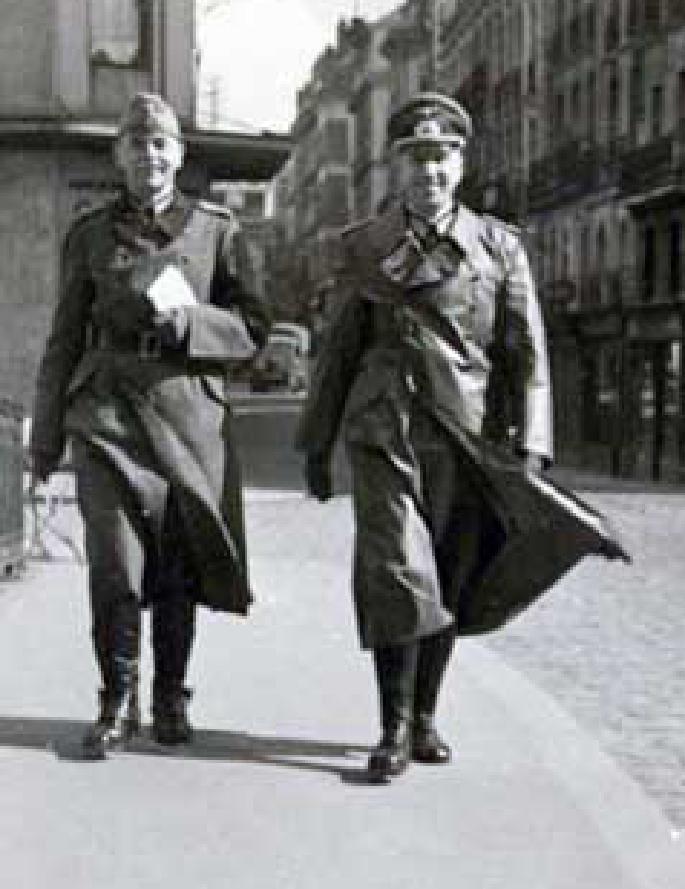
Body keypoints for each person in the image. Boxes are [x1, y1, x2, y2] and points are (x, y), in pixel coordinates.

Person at [297, 91, 627, 782]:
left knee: (446, 575)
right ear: (398, 167)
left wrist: (533, 446)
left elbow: (527, 352)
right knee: (396, 570)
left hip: (466, 434)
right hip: (383, 432)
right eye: (416, 158)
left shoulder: (498, 248)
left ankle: (424, 716)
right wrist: (315, 444)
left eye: (441, 156)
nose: (429, 171)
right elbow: (337, 353)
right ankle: (389, 726)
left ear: (461, 162)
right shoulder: (364, 246)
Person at [29, 92, 271, 758]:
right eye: (136, 144)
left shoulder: (217, 230)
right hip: (106, 416)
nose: (150, 155)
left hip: (188, 419)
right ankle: (116, 700)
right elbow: (63, 339)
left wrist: (190, 323)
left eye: (161, 143)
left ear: (180, 155)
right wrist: (46, 437)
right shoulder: (89, 235)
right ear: (119, 157)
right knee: (114, 566)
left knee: (175, 568)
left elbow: (254, 327)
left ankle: (168, 697)